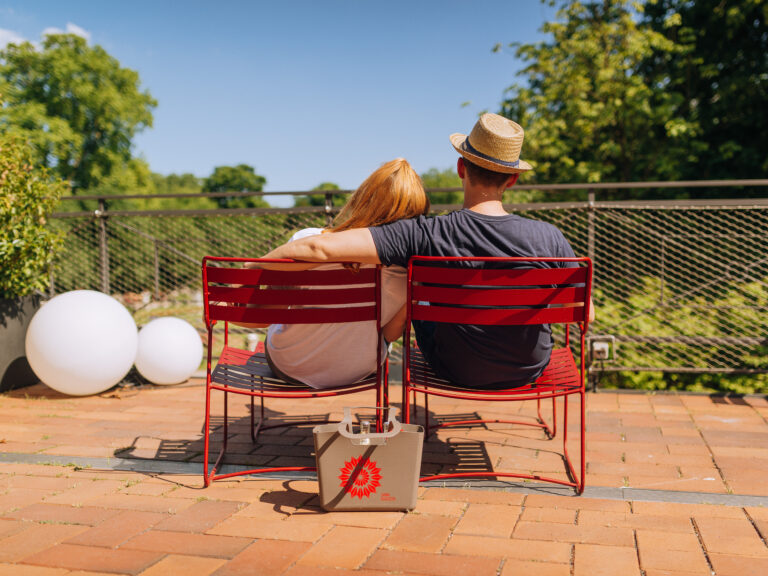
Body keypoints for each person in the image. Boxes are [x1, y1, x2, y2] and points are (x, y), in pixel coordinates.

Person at [262, 113, 594, 389]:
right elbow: (585, 314)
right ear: (513, 180)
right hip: (527, 371)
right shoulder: (550, 237)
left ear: (461, 168)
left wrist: (246, 272)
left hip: (456, 369)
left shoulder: (426, 233)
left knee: (418, 290)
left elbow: (318, 247)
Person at [262, 158, 429, 389]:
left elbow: (269, 312)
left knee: (274, 331)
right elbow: (390, 334)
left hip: (290, 364)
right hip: (359, 370)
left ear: (363, 199)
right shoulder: (409, 270)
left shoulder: (306, 240)